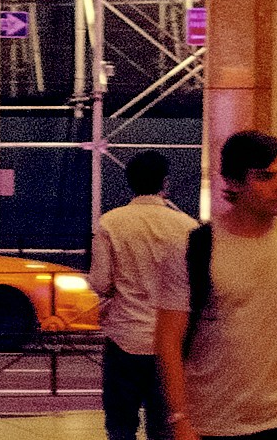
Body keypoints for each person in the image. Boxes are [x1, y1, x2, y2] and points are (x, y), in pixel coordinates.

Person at [152, 134, 277, 440]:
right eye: (264, 176)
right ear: (232, 181)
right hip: (213, 422)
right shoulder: (194, 247)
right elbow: (168, 339)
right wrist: (180, 419)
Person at [90, 150, 196, 440]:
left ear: (130, 182)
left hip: (124, 338)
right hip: (170, 344)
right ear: (165, 182)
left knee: (121, 425)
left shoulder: (111, 222)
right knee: (163, 426)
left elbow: (100, 282)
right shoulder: (187, 227)